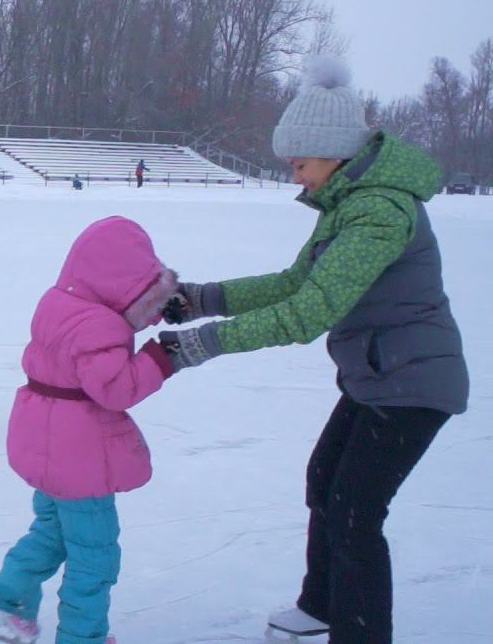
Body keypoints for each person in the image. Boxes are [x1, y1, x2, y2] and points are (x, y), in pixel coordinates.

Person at [158, 57, 468, 644]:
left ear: (333, 154)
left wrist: (200, 344)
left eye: (300, 163)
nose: (295, 175)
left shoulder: (378, 211)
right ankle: (321, 605)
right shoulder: (347, 207)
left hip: (415, 384)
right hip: (380, 376)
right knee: (326, 481)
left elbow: (308, 312)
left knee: (355, 514)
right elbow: (293, 283)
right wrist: (201, 298)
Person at [0, 216, 176, 644]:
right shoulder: (102, 325)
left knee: (49, 533)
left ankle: (7, 610)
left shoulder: (57, 304)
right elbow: (114, 387)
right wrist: (161, 360)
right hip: (80, 460)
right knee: (94, 557)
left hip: (42, 444)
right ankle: (82, 637)